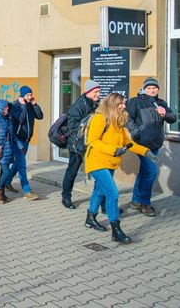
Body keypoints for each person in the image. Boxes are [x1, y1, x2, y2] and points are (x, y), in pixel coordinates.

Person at [84, 93, 154, 244]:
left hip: (110, 162)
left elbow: (128, 143)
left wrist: (145, 151)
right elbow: (93, 141)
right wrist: (114, 150)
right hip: (96, 161)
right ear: (112, 104)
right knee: (112, 193)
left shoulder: (119, 120)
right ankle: (116, 231)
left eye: (124, 103)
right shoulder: (99, 118)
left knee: (99, 190)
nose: (123, 106)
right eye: (120, 104)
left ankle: (90, 218)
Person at [127, 77, 176, 217]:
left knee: (144, 172)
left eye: (154, 88)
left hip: (155, 143)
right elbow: (127, 118)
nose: (152, 90)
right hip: (141, 143)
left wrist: (165, 114)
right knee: (151, 171)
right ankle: (145, 203)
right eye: (149, 88)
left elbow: (173, 118)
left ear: (158, 89)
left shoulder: (161, 103)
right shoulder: (136, 101)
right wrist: (136, 132)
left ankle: (136, 200)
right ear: (144, 89)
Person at [61, 80, 101, 209]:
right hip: (77, 144)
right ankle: (66, 197)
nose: (98, 94)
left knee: (100, 173)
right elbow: (73, 126)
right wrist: (89, 125)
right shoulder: (77, 106)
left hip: (92, 143)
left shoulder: (96, 104)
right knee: (72, 171)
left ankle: (104, 203)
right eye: (96, 92)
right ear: (88, 92)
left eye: (99, 91)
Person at [6, 85, 43, 201]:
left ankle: (7, 181)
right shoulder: (15, 106)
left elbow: (40, 116)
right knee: (22, 166)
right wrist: (22, 106)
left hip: (26, 140)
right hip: (17, 141)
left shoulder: (30, 105)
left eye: (31, 94)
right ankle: (27, 191)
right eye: (27, 95)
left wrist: (34, 104)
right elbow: (20, 119)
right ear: (22, 96)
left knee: (17, 163)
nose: (30, 97)